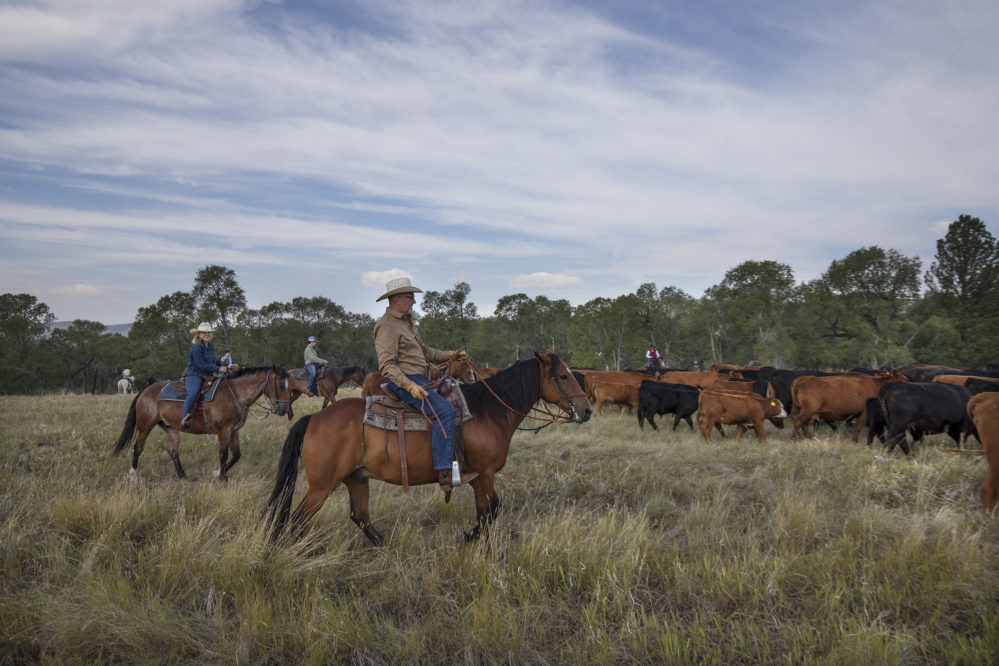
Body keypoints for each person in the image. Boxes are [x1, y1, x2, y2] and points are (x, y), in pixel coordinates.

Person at [372, 276, 477, 493]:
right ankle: (444, 471)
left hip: (422, 378)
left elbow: (426, 352)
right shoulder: (386, 326)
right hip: (406, 382)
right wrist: (409, 386)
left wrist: (451, 354)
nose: (414, 302)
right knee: (445, 412)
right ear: (397, 299)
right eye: (411, 297)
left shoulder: (406, 323)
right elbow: (387, 365)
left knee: (455, 391)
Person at [181, 322, 226, 430]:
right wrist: (218, 369)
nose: (207, 334)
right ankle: (185, 418)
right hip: (195, 374)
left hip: (208, 374)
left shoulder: (211, 346)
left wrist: (224, 365)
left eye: (209, 332)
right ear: (199, 334)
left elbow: (213, 361)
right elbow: (200, 364)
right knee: (193, 392)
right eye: (204, 332)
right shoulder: (197, 347)